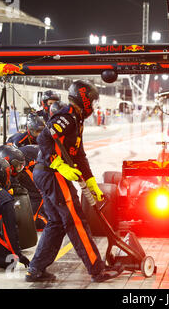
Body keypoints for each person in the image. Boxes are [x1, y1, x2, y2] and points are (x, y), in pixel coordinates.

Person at [26, 80, 123, 283]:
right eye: (93, 102)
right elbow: (44, 139)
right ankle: (97, 270)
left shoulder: (76, 120)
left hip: (48, 174)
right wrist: (58, 164)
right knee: (75, 220)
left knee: (56, 223)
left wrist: (91, 183)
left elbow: (79, 155)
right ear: (84, 99)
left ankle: (35, 269)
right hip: (52, 174)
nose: (94, 107)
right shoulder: (67, 117)